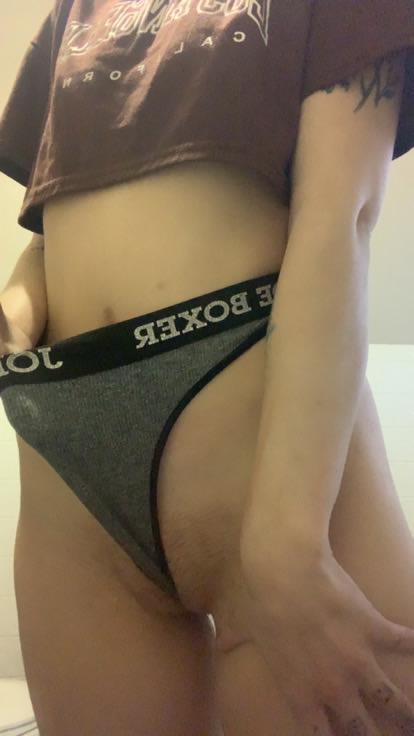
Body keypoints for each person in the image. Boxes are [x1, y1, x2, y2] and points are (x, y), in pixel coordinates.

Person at [0, 1, 414, 733]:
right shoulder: (77, 9)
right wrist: (14, 310)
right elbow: (53, 228)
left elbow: (341, 217)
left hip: (264, 451)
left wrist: (289, 543)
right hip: (69, 462)